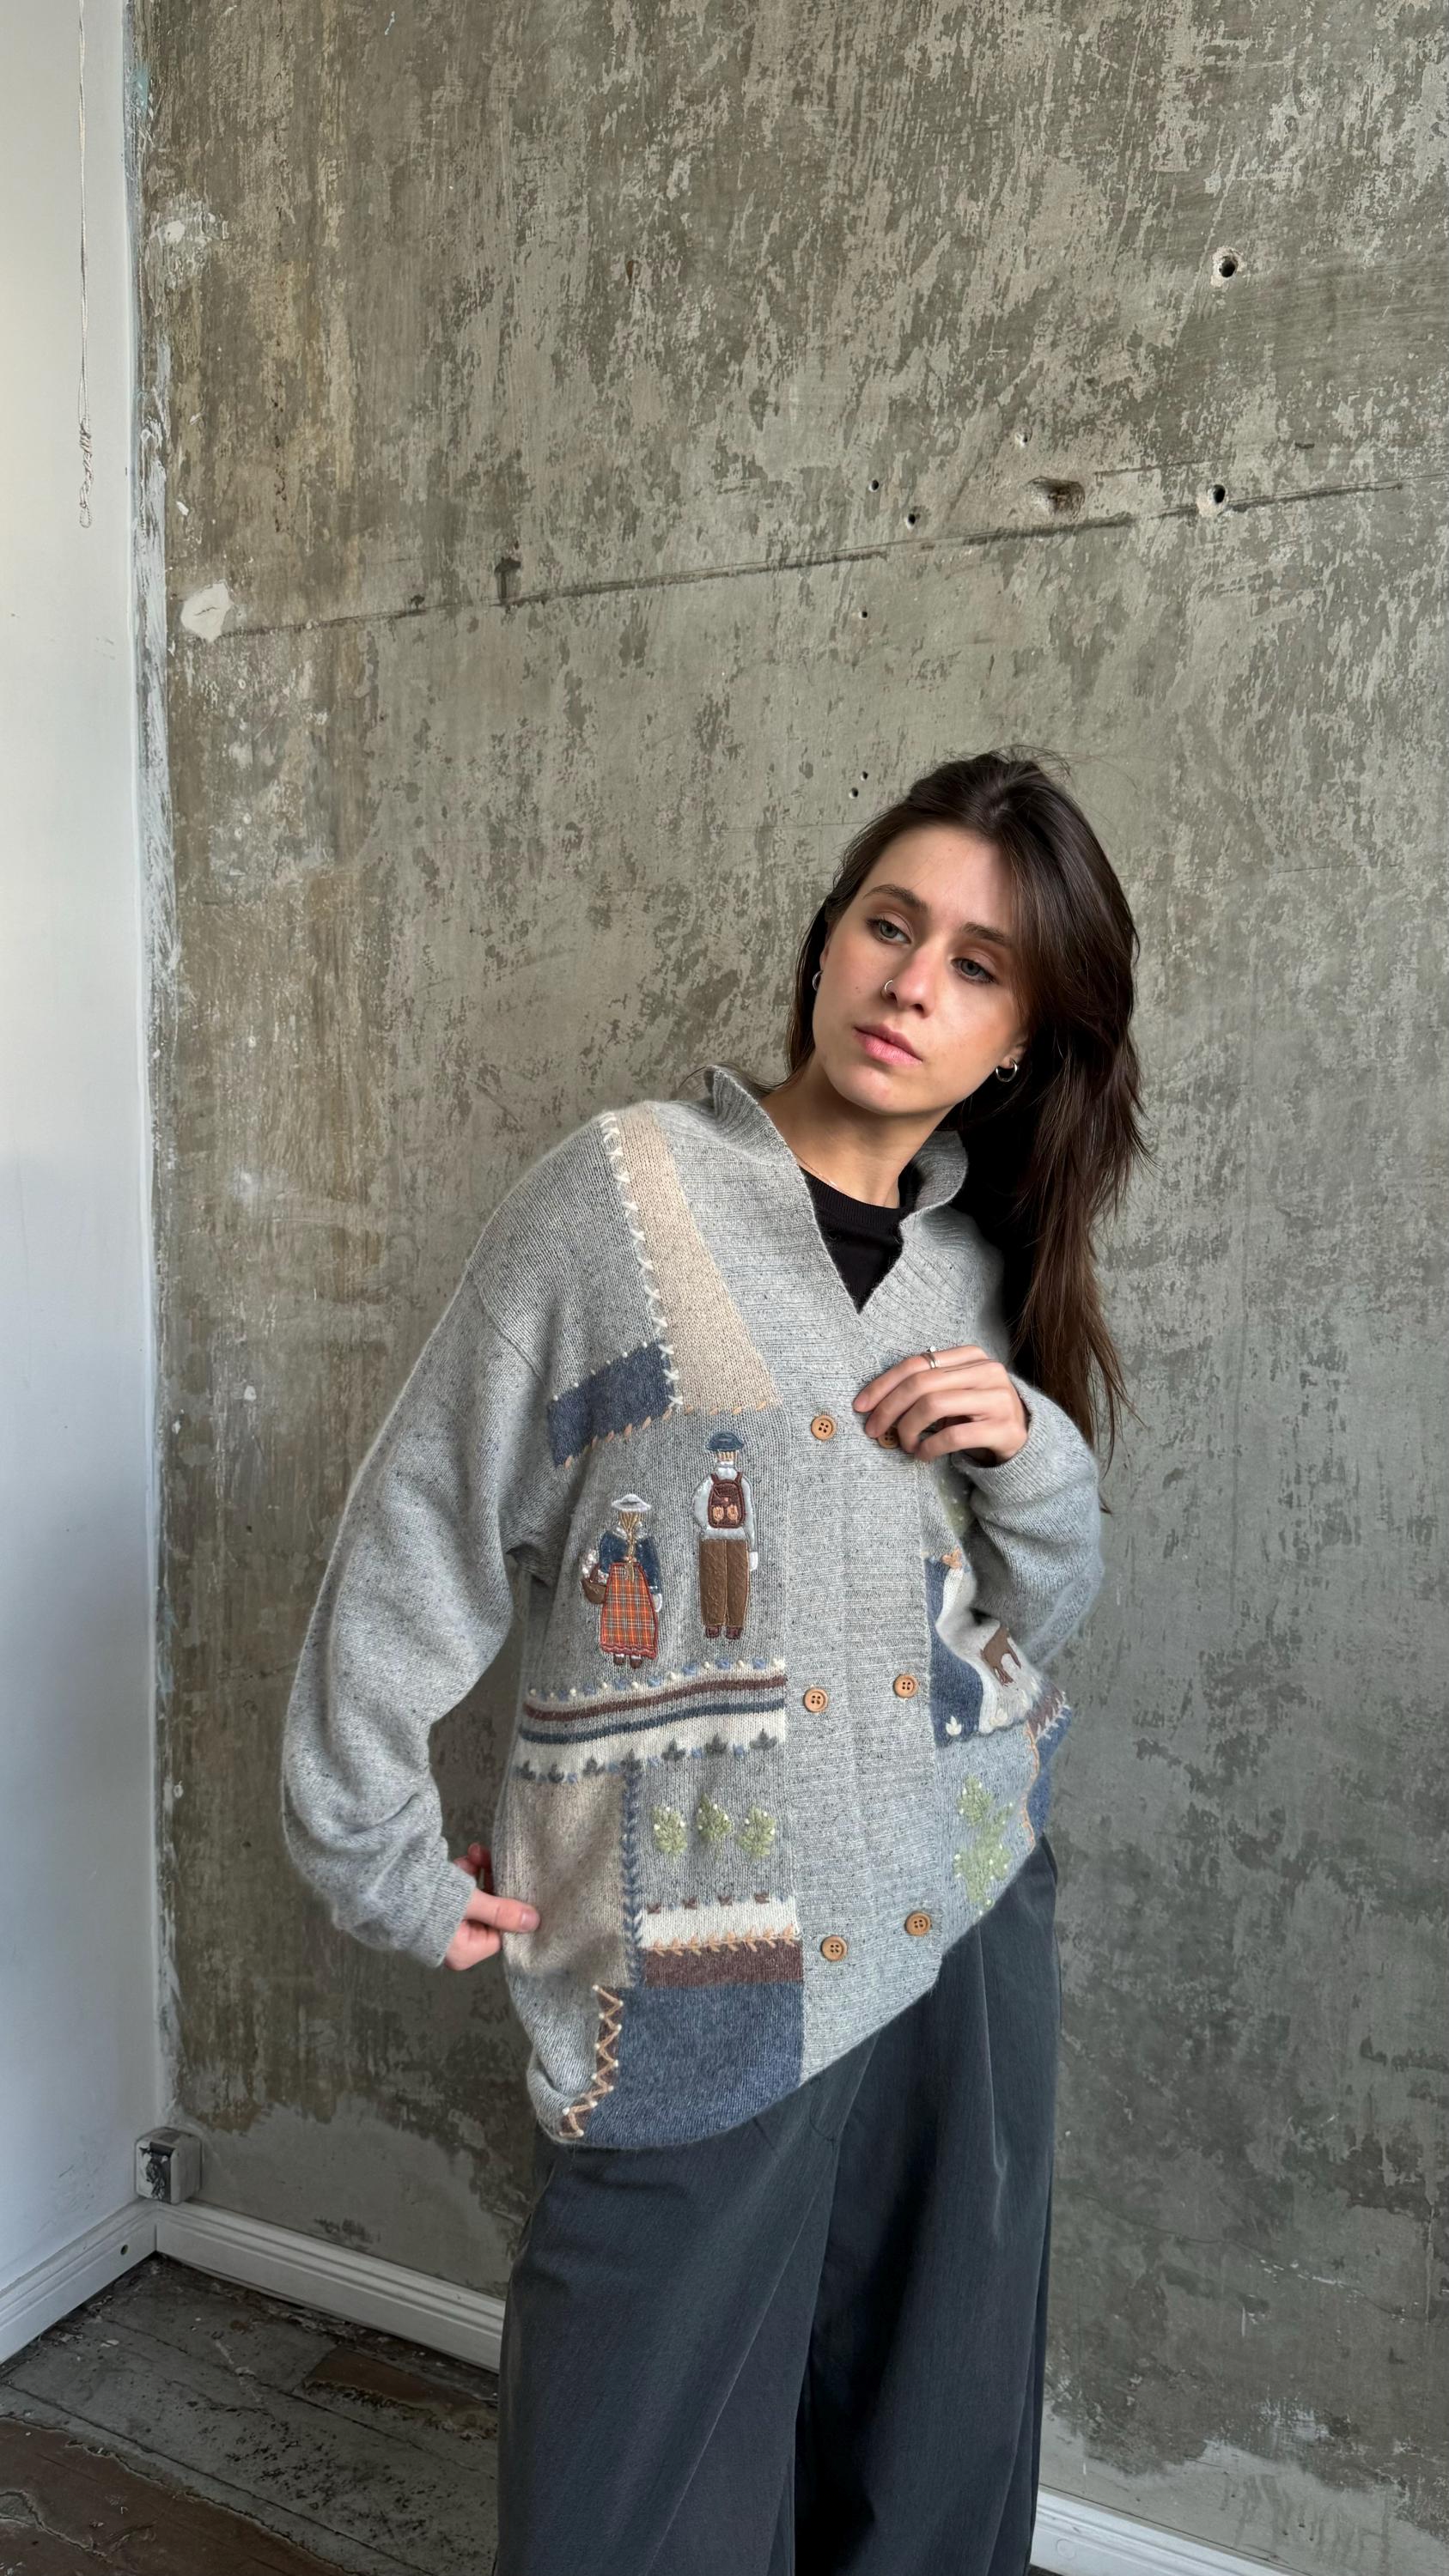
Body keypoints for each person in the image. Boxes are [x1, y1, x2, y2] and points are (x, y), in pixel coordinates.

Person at [280, 745, 1145, 2575]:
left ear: (1020, 1042)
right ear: (827, 942)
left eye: (978, 965)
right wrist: (373, 1850)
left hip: (964, 1900)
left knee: (928, 2452)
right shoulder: (619, 1200)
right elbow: (424, 1519)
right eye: (890, 925)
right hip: (697, 1941)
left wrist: (1034, 1451)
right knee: (635, 2502)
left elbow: (1034, 1616)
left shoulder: (976, 1268)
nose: (912, 982)